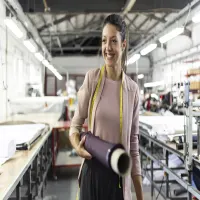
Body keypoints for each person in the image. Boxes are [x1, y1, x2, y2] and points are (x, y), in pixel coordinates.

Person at [69, 14, 144, 200]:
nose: (107, 48)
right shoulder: (92, 79)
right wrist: (77, 148)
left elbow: (133, 146)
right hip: (91, 174)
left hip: (117, 180)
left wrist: (140, 196)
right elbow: (75, 126)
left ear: (123, 44)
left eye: (113, 41)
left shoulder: (132, 90)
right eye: (104, 41)